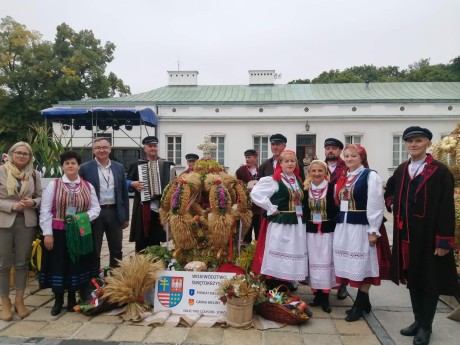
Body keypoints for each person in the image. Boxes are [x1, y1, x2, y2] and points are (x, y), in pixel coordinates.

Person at [385, 126, 458, 345]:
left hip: (430, 238)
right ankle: (418, 321)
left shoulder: (439, 171)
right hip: (405, 236)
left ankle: (426, 326)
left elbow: (446, 208)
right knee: (413, 280)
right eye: (410, 141)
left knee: (430, 282)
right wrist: (392, 203)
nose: (413, 145)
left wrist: (444, 241)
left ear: (427, 143)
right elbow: (389, 191)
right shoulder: (401, 170)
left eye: (418, 141)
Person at [39, 151, 100, 315]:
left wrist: (83, 217)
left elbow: (96, 208)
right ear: (62, 166)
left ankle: (72, 298)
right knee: (59, 264)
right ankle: (58, 299)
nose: (70, 166)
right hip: (59, 233)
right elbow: (45, 210)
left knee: (77, 264)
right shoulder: (54, 185)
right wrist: (47, 234)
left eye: (73, 163)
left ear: (79, 166)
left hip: (80, 232)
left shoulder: (88, 186)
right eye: (67, 163)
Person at [333, 144, 385, 322]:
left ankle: (359, 304)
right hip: (344, 226)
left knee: (363, 265)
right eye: (346, 156)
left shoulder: (370, 175)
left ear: (362, 158)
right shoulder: (344, 176)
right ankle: (365, 303)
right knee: (350, 265)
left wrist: (373, 230)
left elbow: (376, 204)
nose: (348, 159)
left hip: (362, 226)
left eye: (353, 156)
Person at [251, 150, 308, 287]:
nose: (290, 164)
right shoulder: (273, 180)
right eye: (286, 161)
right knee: (280, 250)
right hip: (281, 223)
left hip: (297, 222)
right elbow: (255, 193)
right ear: (280, 163)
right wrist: (270, 207)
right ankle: (274, 283)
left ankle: (287, 280)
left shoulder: (298, 180)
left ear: (296, 163)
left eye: (292, 161)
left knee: (292, 251)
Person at [0, 142, 41, 321]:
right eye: (19, 153)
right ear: (11, 154)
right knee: (3, 265)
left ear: (30, 157)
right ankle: (5, 303)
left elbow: (40, 196)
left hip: (26, 222)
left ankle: (19, 300)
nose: (22, 156)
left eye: (26, 154)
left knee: (22, 263)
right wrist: (11, 205)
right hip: (4, 222)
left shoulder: (34, 174)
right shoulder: (1, 171)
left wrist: (33, 203)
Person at [79, 138, 129, 268]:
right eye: (98, 148)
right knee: (95, 248)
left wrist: (125, 216)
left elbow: (124, 193)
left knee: (116, 248)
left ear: (110, 149)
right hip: (94, 213)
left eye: (105, 147)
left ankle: (115, 277)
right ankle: (95, 278)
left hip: (114, 211)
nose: (102, 150)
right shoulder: (85, 168)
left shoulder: (118, 167)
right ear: (93, 150)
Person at [127, 136, 175, 252]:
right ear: (145, 148)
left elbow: (174, 183)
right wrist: (132, 183)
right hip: (144, 207)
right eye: (150, 146)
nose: (153, 148)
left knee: (157, 236)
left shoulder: (167, 164)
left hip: (160, 207)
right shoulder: (137, 164)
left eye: (155, 146)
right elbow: (126, 181)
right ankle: (141, 264)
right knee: (142, 237)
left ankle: (156, 263)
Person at [304, 160, 339, 313]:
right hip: (311, 232)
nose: (317, 174)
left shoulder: (333, 188)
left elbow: (338, 209)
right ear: (309, 173)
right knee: (314, 262)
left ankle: (325, 297)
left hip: (328, 232)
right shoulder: (305, 189)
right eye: (314, 171)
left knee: (325, 261)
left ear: (326, 172)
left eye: (320, 171)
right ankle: (317, 294)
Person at [323, 138, 349, 300]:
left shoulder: (346, 167)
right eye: (328, 148)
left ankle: (342, 285)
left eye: (333, 148)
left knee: (341, 249)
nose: (330, 151)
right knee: (323, 250)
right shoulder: (317, 166)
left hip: (340, 213)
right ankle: (321, 283)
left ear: (340, 150)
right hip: (321, 213)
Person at [235, 149, 261, 243]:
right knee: (247, 231)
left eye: (249, 157)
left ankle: (258, 250)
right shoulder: (240, 171)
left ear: (255, 158)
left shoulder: (260, 170)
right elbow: (236, 186)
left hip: (258, 207)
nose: (247, 159)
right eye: (246, 157)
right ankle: (246, 249)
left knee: (259, 230)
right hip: (246, 207)